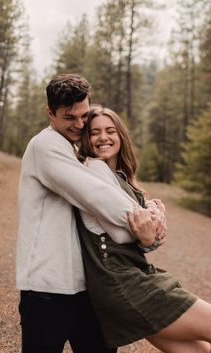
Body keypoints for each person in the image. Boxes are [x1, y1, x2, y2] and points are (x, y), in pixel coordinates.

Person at [16, 74, 167, 353]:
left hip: (87, 288)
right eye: (69, 117)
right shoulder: (46, 146)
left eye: (84, 115)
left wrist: (148, 221)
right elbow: (96, 196)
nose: (79, 124)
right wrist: (147, 219)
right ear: (50, 113)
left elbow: (108, 216)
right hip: (47, 290)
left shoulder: (77, 151)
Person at [77, 105, 211, 353]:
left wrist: (151, 221)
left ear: (121, 136)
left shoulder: (121, 177)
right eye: (94, 132)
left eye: (110, 130)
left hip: (135, 279)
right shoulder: (93, 170)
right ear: (86, 138)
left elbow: (146, 234)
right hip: (124, 284)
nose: (103, 137)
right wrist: (154, 216)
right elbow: (134, 225)